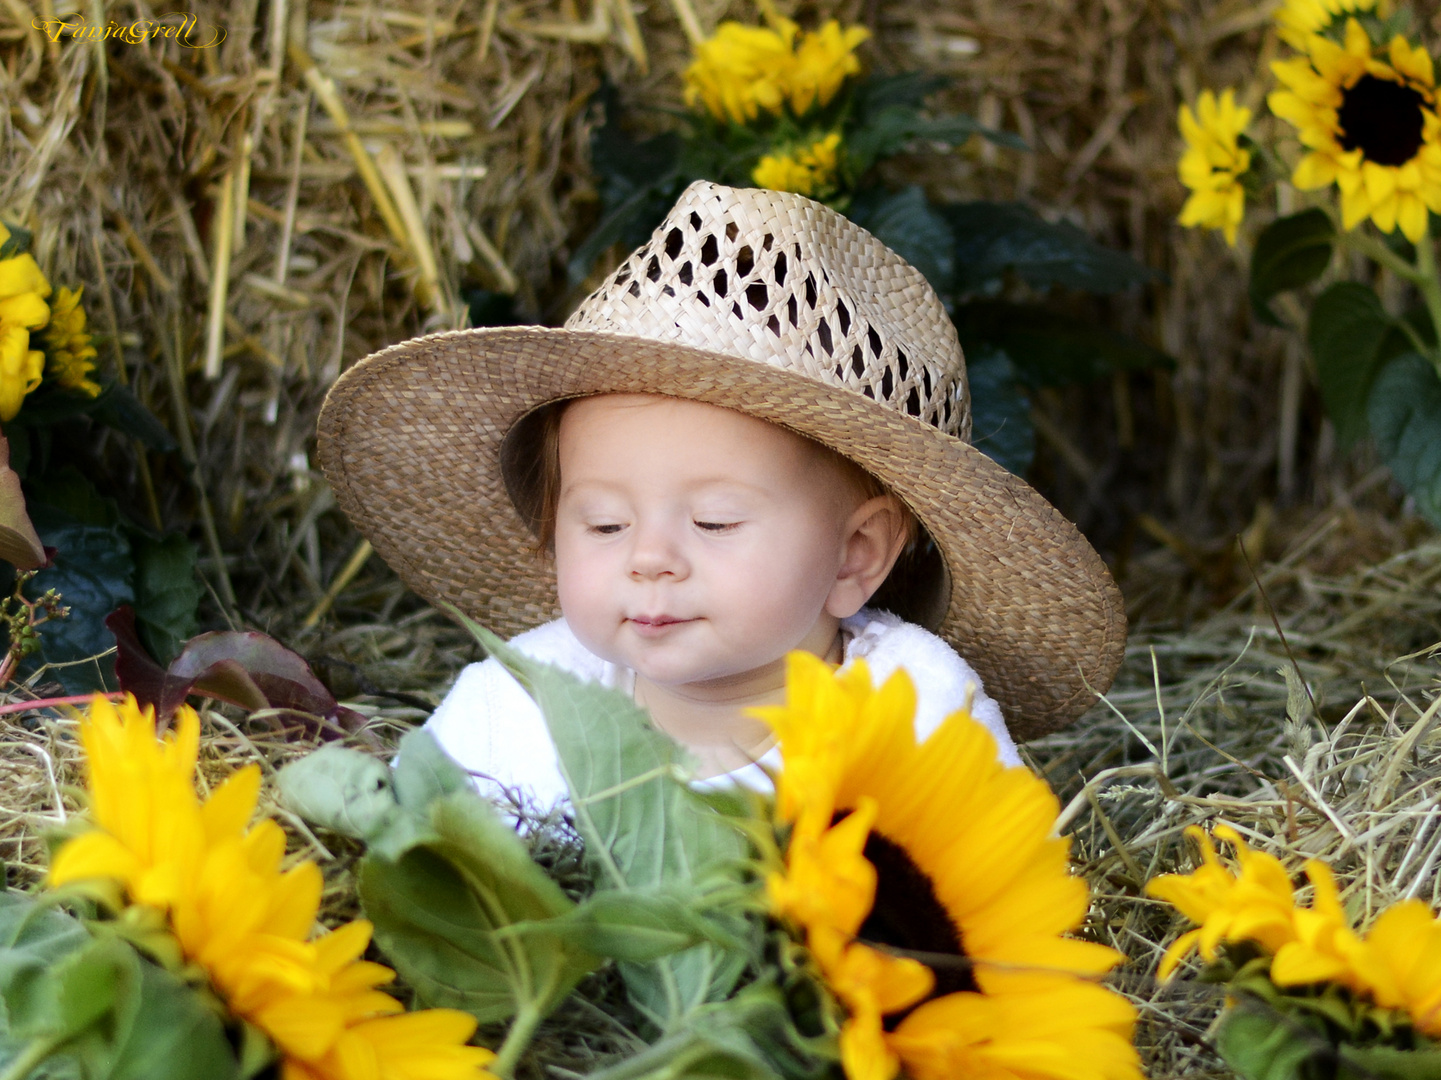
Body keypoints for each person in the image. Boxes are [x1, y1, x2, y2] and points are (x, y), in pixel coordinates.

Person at [317, 180, 1127, 809]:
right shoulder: (523, 704)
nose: (650, 559)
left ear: (856, 556)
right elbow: (416, 853)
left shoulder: (916, 712)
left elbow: (997, 892)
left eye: (713, 520)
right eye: (602, 523)